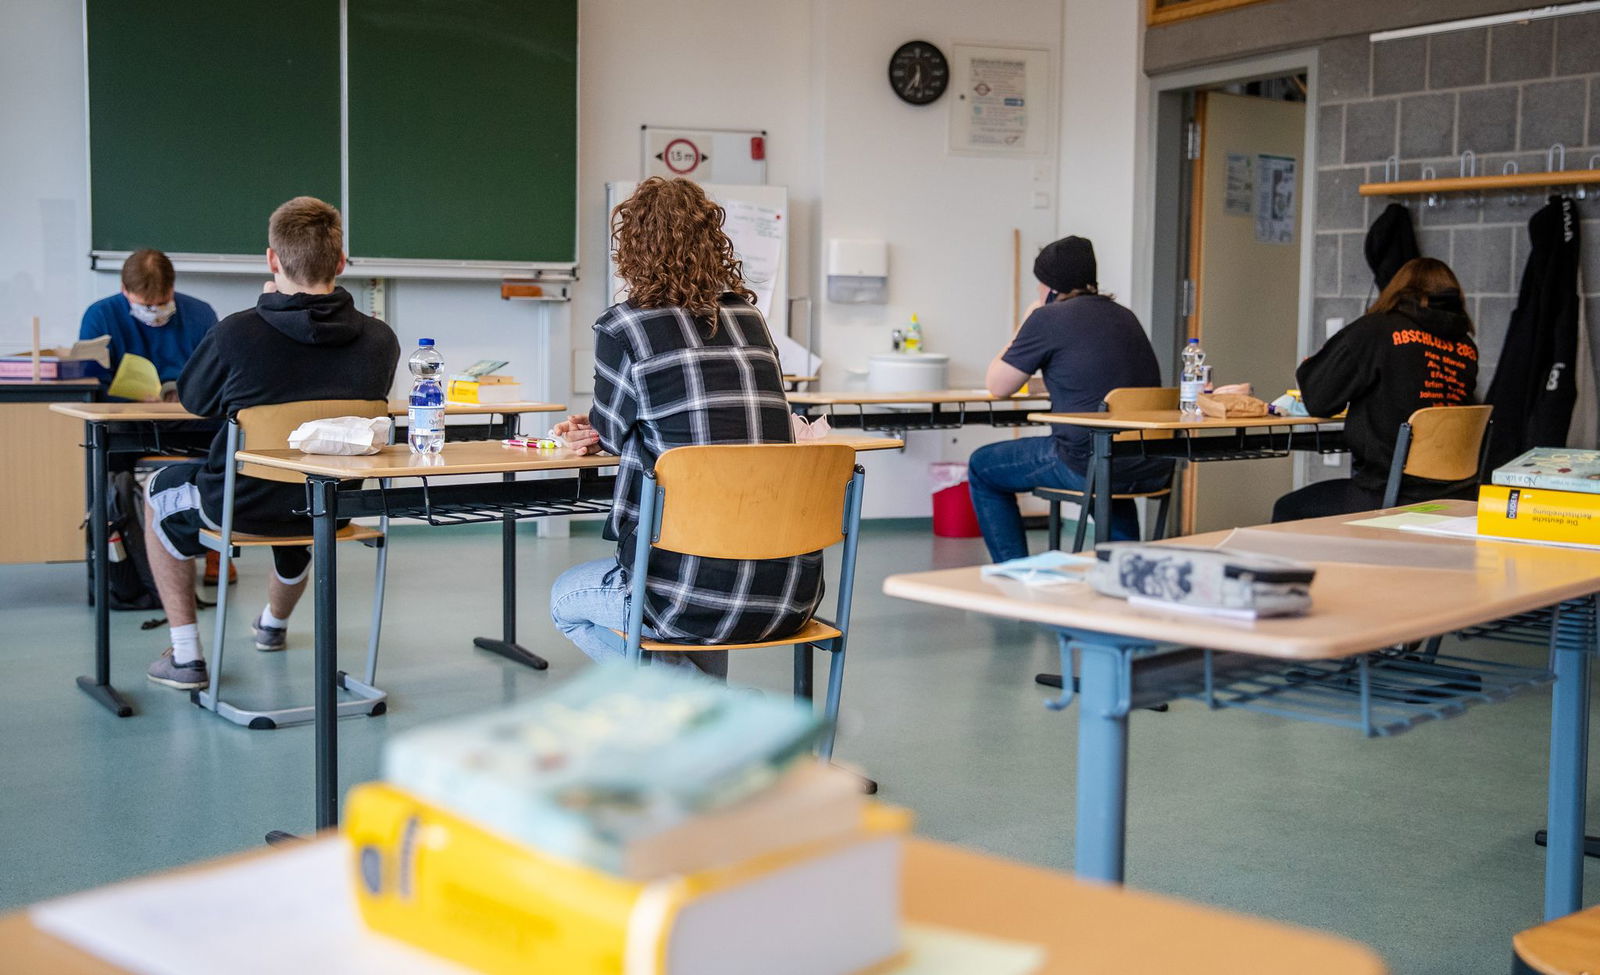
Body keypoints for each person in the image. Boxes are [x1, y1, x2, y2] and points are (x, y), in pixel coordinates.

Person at [548, 177, 819, 680]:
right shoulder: (750, 319)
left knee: (565, 603)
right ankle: (708, 716)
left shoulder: (624, 326)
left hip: (684, 595)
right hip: (789, 593)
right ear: (714, 242)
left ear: (632, 249)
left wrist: (590, 427)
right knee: (699, 583)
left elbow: (611, 434)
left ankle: (721, 710)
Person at [142, 197, 400, 690]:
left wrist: (266, 312)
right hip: (329, 504)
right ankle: (273, 626)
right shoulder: (381, 340)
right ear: (340, 263)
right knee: (301, 504)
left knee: (157, 491)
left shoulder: (237, 332)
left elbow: (196, 400)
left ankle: (187, 657)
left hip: (241, 504)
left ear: (272, 260)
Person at [967, 235, 1171, 562]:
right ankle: (1126, 565)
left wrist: (1025, 323)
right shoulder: (1125, 315)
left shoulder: (1047, 318)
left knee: (982, 466)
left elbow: (999, 386)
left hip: (1086, 463)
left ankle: (1014, 571)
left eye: (1039, 283)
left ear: (1050, 287)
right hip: (1148, 462)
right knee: (1108, 462)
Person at [1271, 257, 1479, 523]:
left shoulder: (1375, 330)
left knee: (1288, 508)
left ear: (1398, 289)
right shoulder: (1466, 347)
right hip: (1454, 496)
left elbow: (1320, 399)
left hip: (1389, 493)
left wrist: (1313, 368)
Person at [80, 249, 218, 401]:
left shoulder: (201, 314)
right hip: (121, 411)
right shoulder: (100, 316)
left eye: (162, 303)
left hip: (186, 409)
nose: (154, 311)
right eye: (145, 305)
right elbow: (93, 385)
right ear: (124, 289)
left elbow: (214, 376)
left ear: (172, 288)